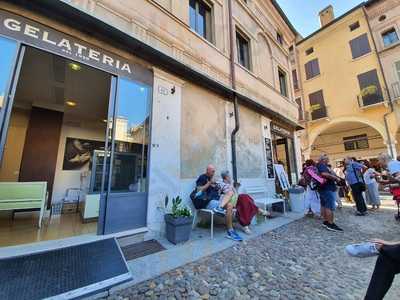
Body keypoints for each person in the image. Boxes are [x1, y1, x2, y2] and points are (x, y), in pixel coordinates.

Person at [196, 165, 242, 241]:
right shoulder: (202, 177)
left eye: (214, 171)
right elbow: (198, 190)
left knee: (230, 203)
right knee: (230, 196)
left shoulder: (213, 179)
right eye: (212, 171)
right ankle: (219, 209)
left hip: (216, 201)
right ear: (207, 170)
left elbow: (218, 190)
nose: (214, 173)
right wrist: (209, 183)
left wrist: (217, 185)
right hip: (207, 201)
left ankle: (230, 231)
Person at [219, 170, 269, 234]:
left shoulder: (229, 184)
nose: (231, 178)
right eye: (230, 176)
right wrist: (232, 186)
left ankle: (245, 226)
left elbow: (235, 194)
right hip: (229, 203)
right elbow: (227, 194)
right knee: (244, 197)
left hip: (235, 201)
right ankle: (259, 211)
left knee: (245, 200)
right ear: (226, 177)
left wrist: (236, 187)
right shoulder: (222, 184)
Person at [317, 154, 344, 232]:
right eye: (327, 159)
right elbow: (323, 174)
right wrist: (335, 178)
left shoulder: (320, 165)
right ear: (323, 159)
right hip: (326, 188)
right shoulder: (321, 165)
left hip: (324, 188)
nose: (328, 160)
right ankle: (330, 224)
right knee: (329, 206)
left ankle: (326, 221)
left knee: (325, 205)